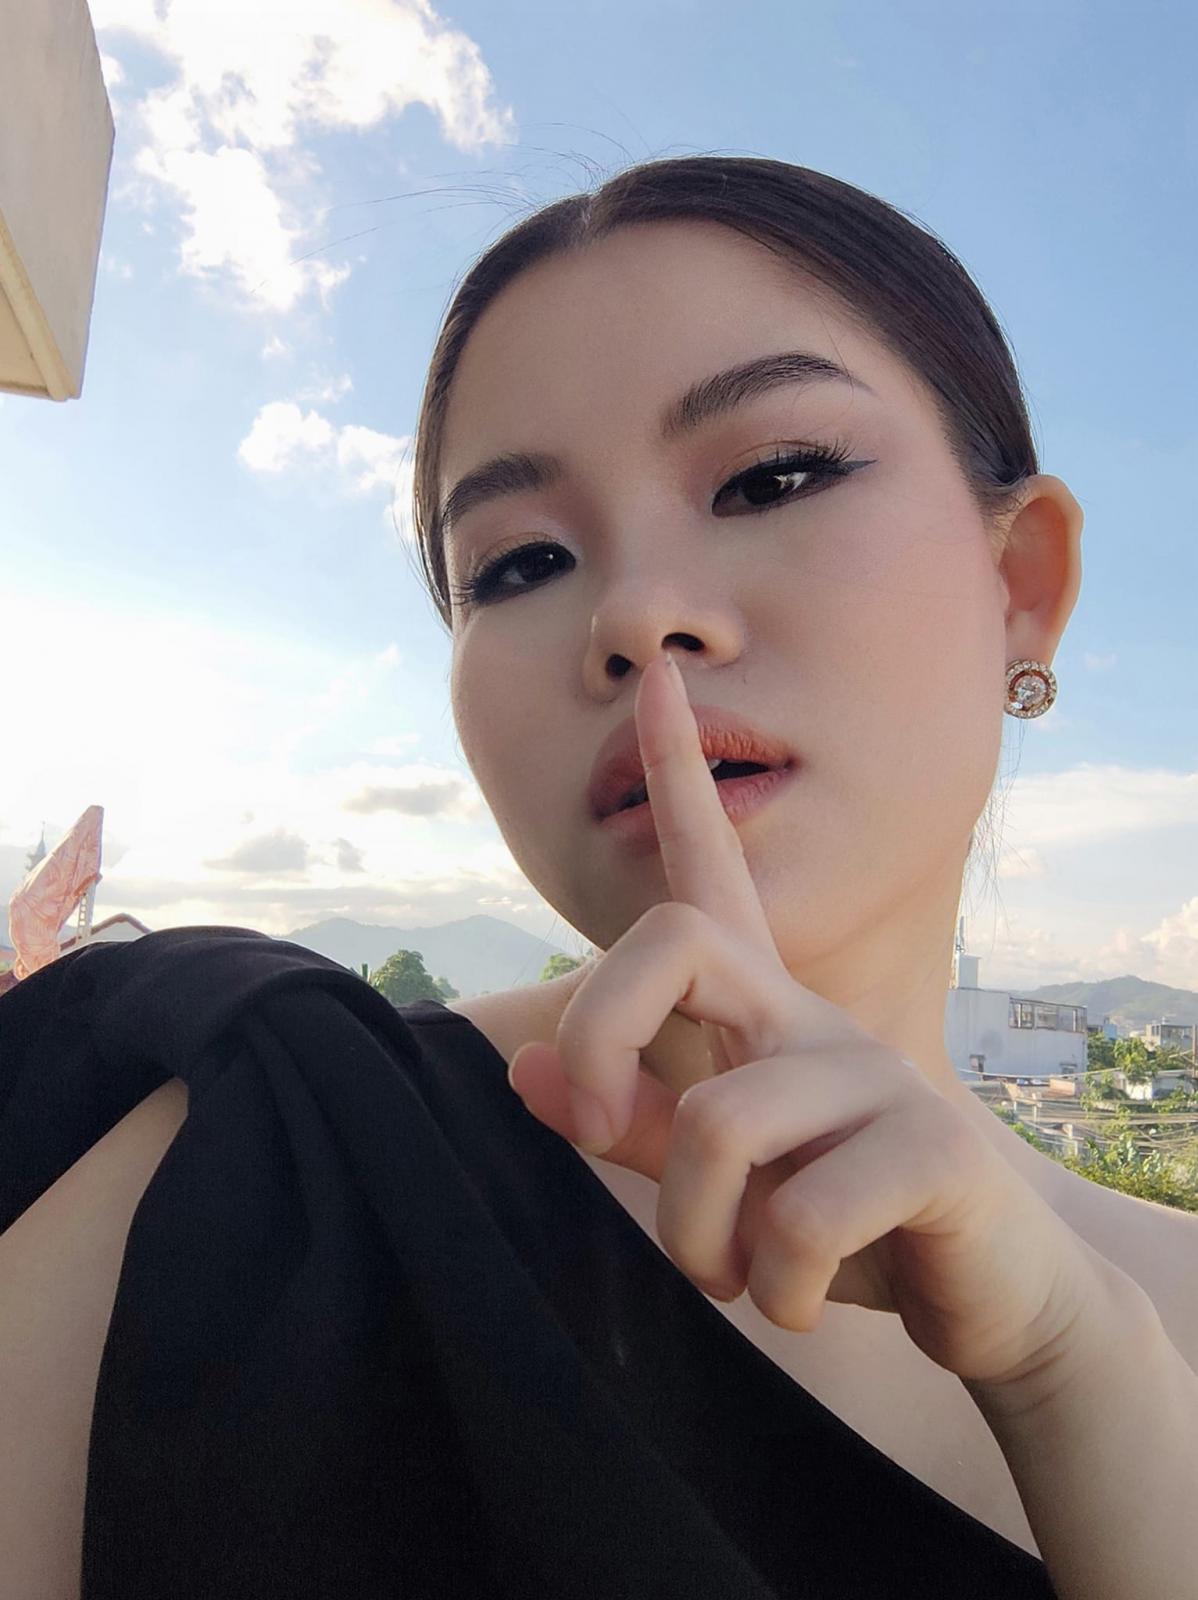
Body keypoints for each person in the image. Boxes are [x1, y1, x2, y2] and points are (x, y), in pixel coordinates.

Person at [1, 155, 1194, 1599]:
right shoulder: (252, 1154)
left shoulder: (1161, 1313)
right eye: (518, 563)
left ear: (1024, 583)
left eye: (773, 476)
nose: (633, 615)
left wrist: (1079, 1374)